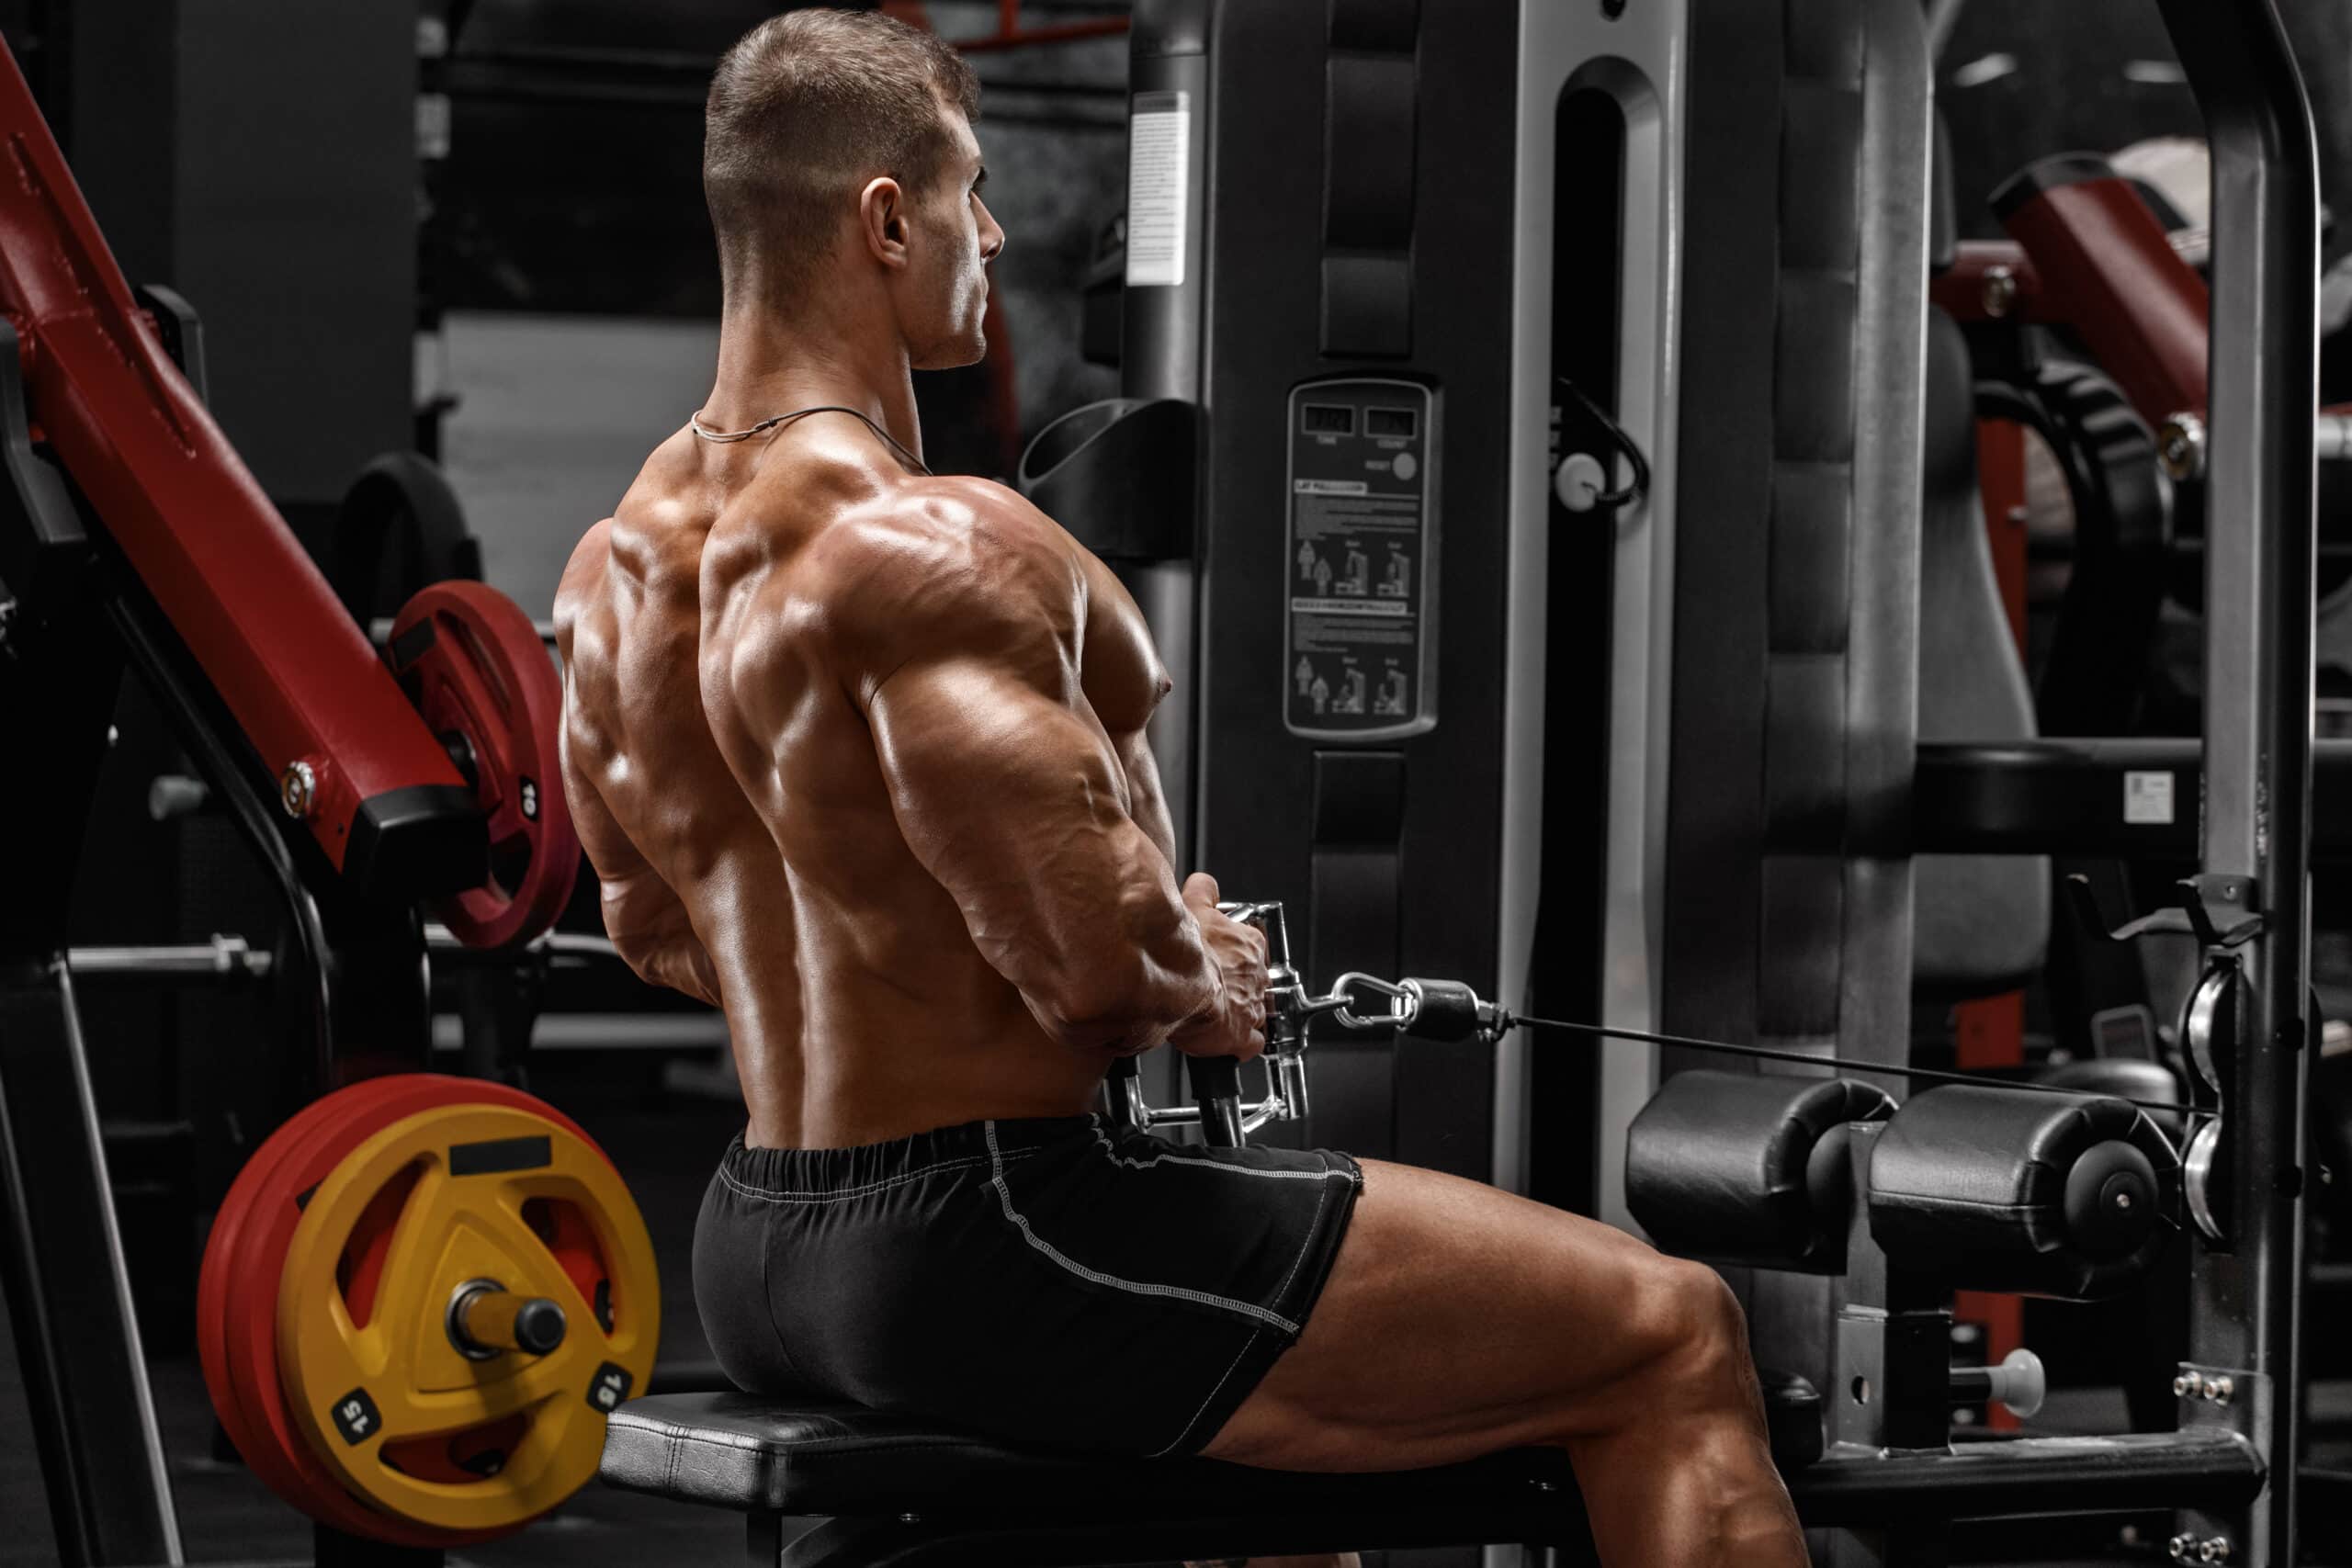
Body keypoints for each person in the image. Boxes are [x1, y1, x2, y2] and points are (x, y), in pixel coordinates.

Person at [552, 11, 1806, 1565]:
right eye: (972, 192)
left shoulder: (614, 575)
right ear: (888, 219)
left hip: (760, 1244)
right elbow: (1101, 977)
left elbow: (651, 924)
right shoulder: (930, 548)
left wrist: (882, 969)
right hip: (1003, 1232)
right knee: (1670, 1335)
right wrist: (1199, 967)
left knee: (1301, 1439)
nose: (993, 234)